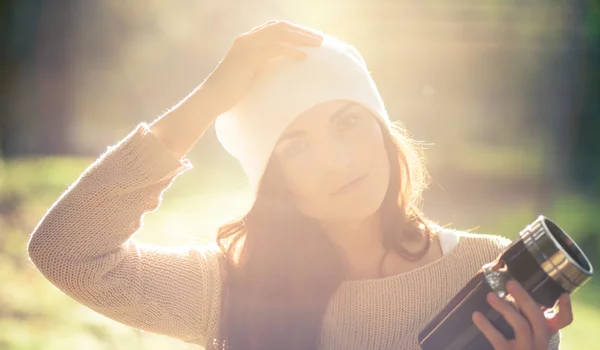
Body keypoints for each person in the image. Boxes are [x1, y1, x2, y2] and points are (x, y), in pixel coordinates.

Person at [28, 20, 573, 350]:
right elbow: (66, 251)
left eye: (348, 122)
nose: (337, 160)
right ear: (273, 182)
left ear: (383, 131)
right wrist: (210, 98)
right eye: (296, 145)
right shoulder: (234, 290)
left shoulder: (487, 274)